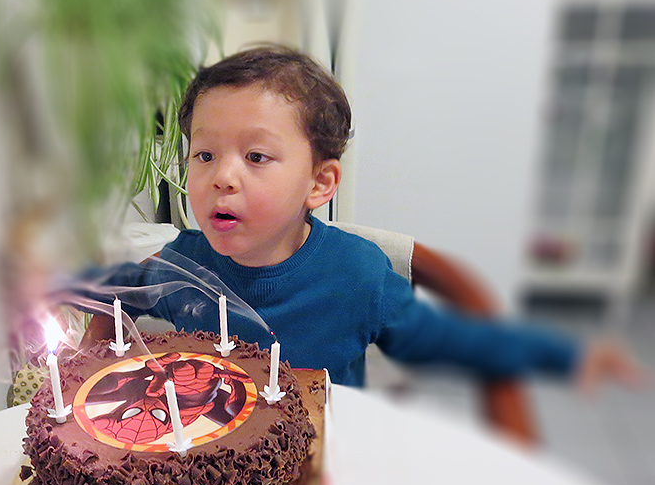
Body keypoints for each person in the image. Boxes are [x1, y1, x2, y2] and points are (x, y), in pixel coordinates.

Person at [82, 44, 645, 391]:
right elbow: (113, 290)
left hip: (327, 468)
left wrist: (565, 356)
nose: (221, 177)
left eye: (255, 156)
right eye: (205, 154)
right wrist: (82, 331)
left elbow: (448, 339)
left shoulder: (359, 276)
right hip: (213, 474)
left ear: (319, 184)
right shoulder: (179, 264)